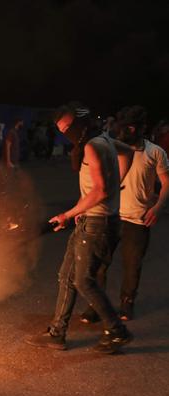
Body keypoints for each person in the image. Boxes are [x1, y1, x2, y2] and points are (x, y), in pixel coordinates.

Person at [25, 102, 133, 354]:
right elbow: (127, 152)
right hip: (91, 220)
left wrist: (68, 213)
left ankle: (117, 331)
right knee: (67, 277)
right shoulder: (104, 139)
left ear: (80, 123)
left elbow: (100, 190)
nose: (65, 134)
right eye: (61, 131)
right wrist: (117, 181)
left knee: (83, 281)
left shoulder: (93, 146)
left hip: (98, 223)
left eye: (68, 129)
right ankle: (57, 333)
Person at [80, 106, 169, 322]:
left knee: (132, 266)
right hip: (109, 217)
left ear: (141, 128)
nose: (126, 131)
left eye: (131, 127)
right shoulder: (111, 148)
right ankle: (96, 306)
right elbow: (95, 180)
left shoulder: (155, 152)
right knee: (99, 266)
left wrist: (157, 207)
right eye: (123, 127)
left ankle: (127, 304)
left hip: (138, 219)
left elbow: (166, 182)